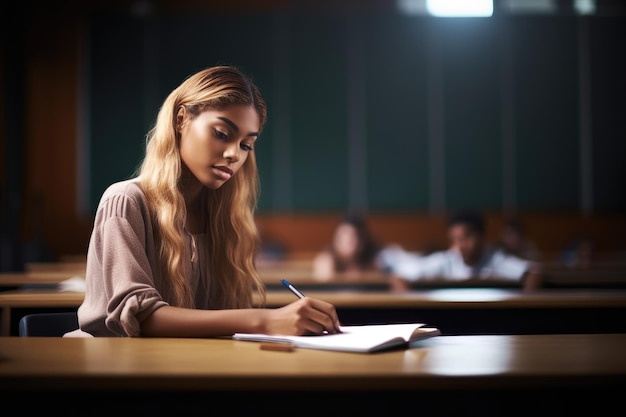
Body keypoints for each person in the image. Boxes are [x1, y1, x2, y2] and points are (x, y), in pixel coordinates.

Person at [67, 66, 341, 337]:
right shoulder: (126, 200)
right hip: (118, 371)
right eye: (222, 133)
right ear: (181, 120)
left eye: (247, 145)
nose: (235, 154)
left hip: (190, 369)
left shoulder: (225, 218)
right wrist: (265, 320)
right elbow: (140, 318)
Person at [387, 209, 543, 292]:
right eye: (455, 239)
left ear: (482, 236)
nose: (461, 245)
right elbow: (399, 276)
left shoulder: (494, 258)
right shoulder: (448, 259)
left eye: (467, 237)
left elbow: (533, 273)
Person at [311, 213, 384, 281]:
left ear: (362, 241)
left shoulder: (372, 261)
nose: (346, 243)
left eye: (351, 238)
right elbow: (323, 288)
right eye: (342, 238)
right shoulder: (326, 260)